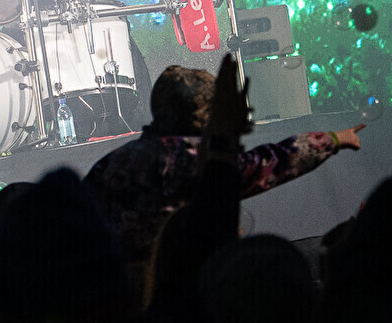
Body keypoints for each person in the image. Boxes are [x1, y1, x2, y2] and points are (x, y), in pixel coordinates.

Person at [86, 63, 360, 274]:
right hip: (171, 294)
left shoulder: (112, 162)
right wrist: (334, 140)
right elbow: (267, 165)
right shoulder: (190, 160)